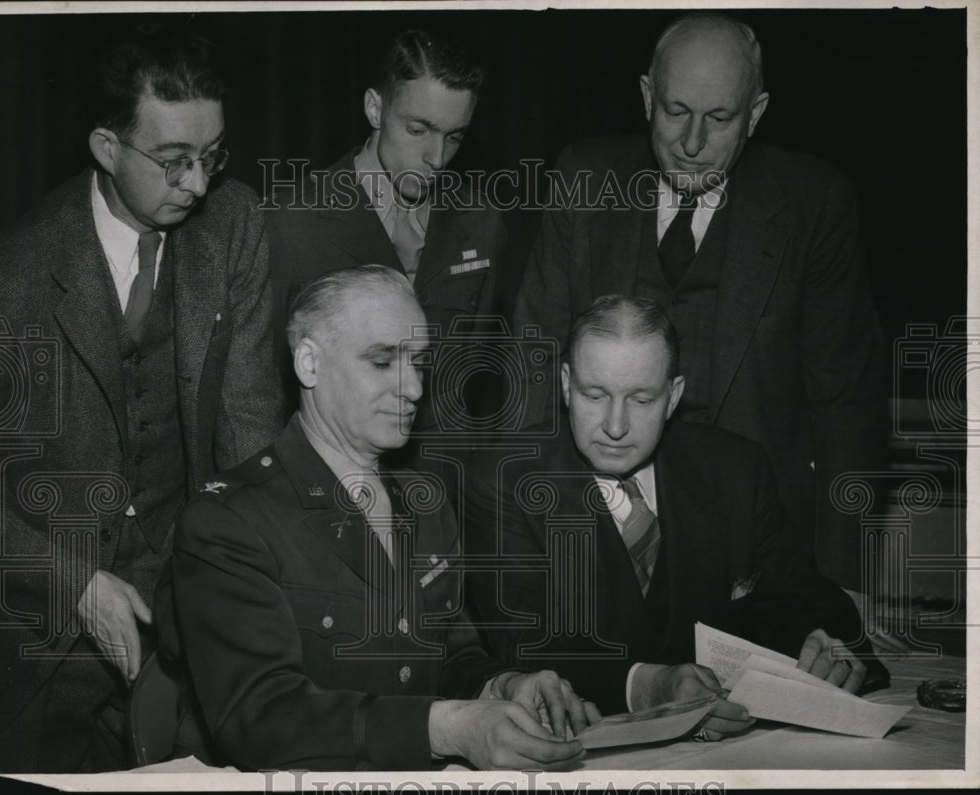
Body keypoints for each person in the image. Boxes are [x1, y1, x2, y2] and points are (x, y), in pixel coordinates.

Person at [160, 265, 604, 771]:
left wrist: (504, 685)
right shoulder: (228, 522)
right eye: (382, 362)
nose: (413, 388)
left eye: (418, 362)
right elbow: (260, 719)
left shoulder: (427, 500)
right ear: (309, 363)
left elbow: (450, 656)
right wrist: (446, 728)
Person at [0, 24, 284, 773]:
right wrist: (74, 581)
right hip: (41, 641)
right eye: (174, 160)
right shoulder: (10, 271)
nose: (197, 183)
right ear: (105, 147)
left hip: (190, 634)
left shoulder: (235, 225)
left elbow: (249, 435)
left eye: (211, 155)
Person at [513, 12, 887, 590]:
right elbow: (532, 369)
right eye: (675, 112)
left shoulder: (815, 204)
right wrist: (532, 548)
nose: (691, 144)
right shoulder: (582, 180)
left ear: (755, 114)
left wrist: (840, 587)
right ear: (646, 97)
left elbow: (846, 407)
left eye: (719, 119)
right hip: (598, 542)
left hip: (764, 550)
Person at [466, 295, 887, 722]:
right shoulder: (503, 481)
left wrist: (827, 645)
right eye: (594, 395)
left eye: (642, 400)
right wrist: (647, 684)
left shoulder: (736, 469)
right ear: (564, 384)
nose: (615, 426)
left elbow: (810, 599)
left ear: (673, 397)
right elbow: (526, 647)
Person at [264, 29, 507, 442]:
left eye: (455, 137)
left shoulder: (481, 224)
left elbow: (468, 391)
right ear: (375, 109)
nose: (436, 158)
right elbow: (263, 390)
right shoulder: (291, 222)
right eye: (418, 130)